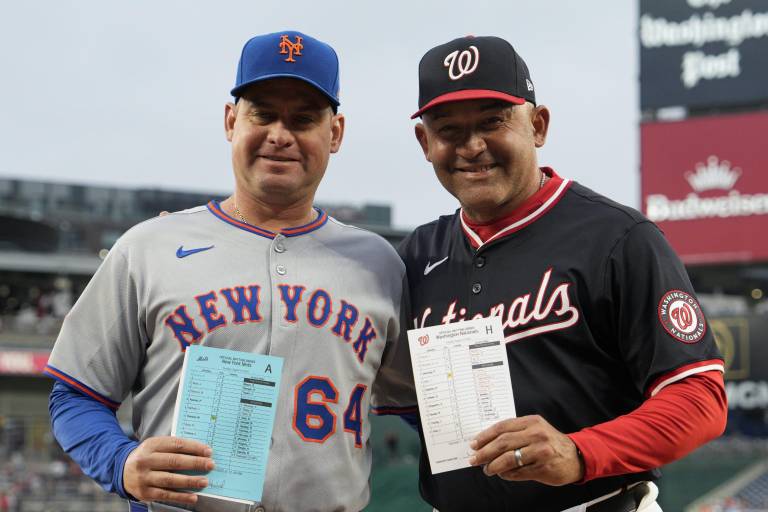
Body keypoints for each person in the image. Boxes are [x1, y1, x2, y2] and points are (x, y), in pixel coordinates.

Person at [44, 30, 414, 512]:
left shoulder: (379, 264)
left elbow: (424, 407)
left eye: (303, 119)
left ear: (335, 133)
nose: (280, 135)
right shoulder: (149, 248)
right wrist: (121, 461)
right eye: (263, 114)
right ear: (230, 120)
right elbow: (75, 394)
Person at [398, 35, 728, 512]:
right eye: (449, 130)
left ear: (538, 125)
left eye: (492, 122)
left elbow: (699, 398)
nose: (472, 146)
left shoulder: (618, 238)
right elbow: (399, 399)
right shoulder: (417, 255)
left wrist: (579, 451)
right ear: (425, 143)